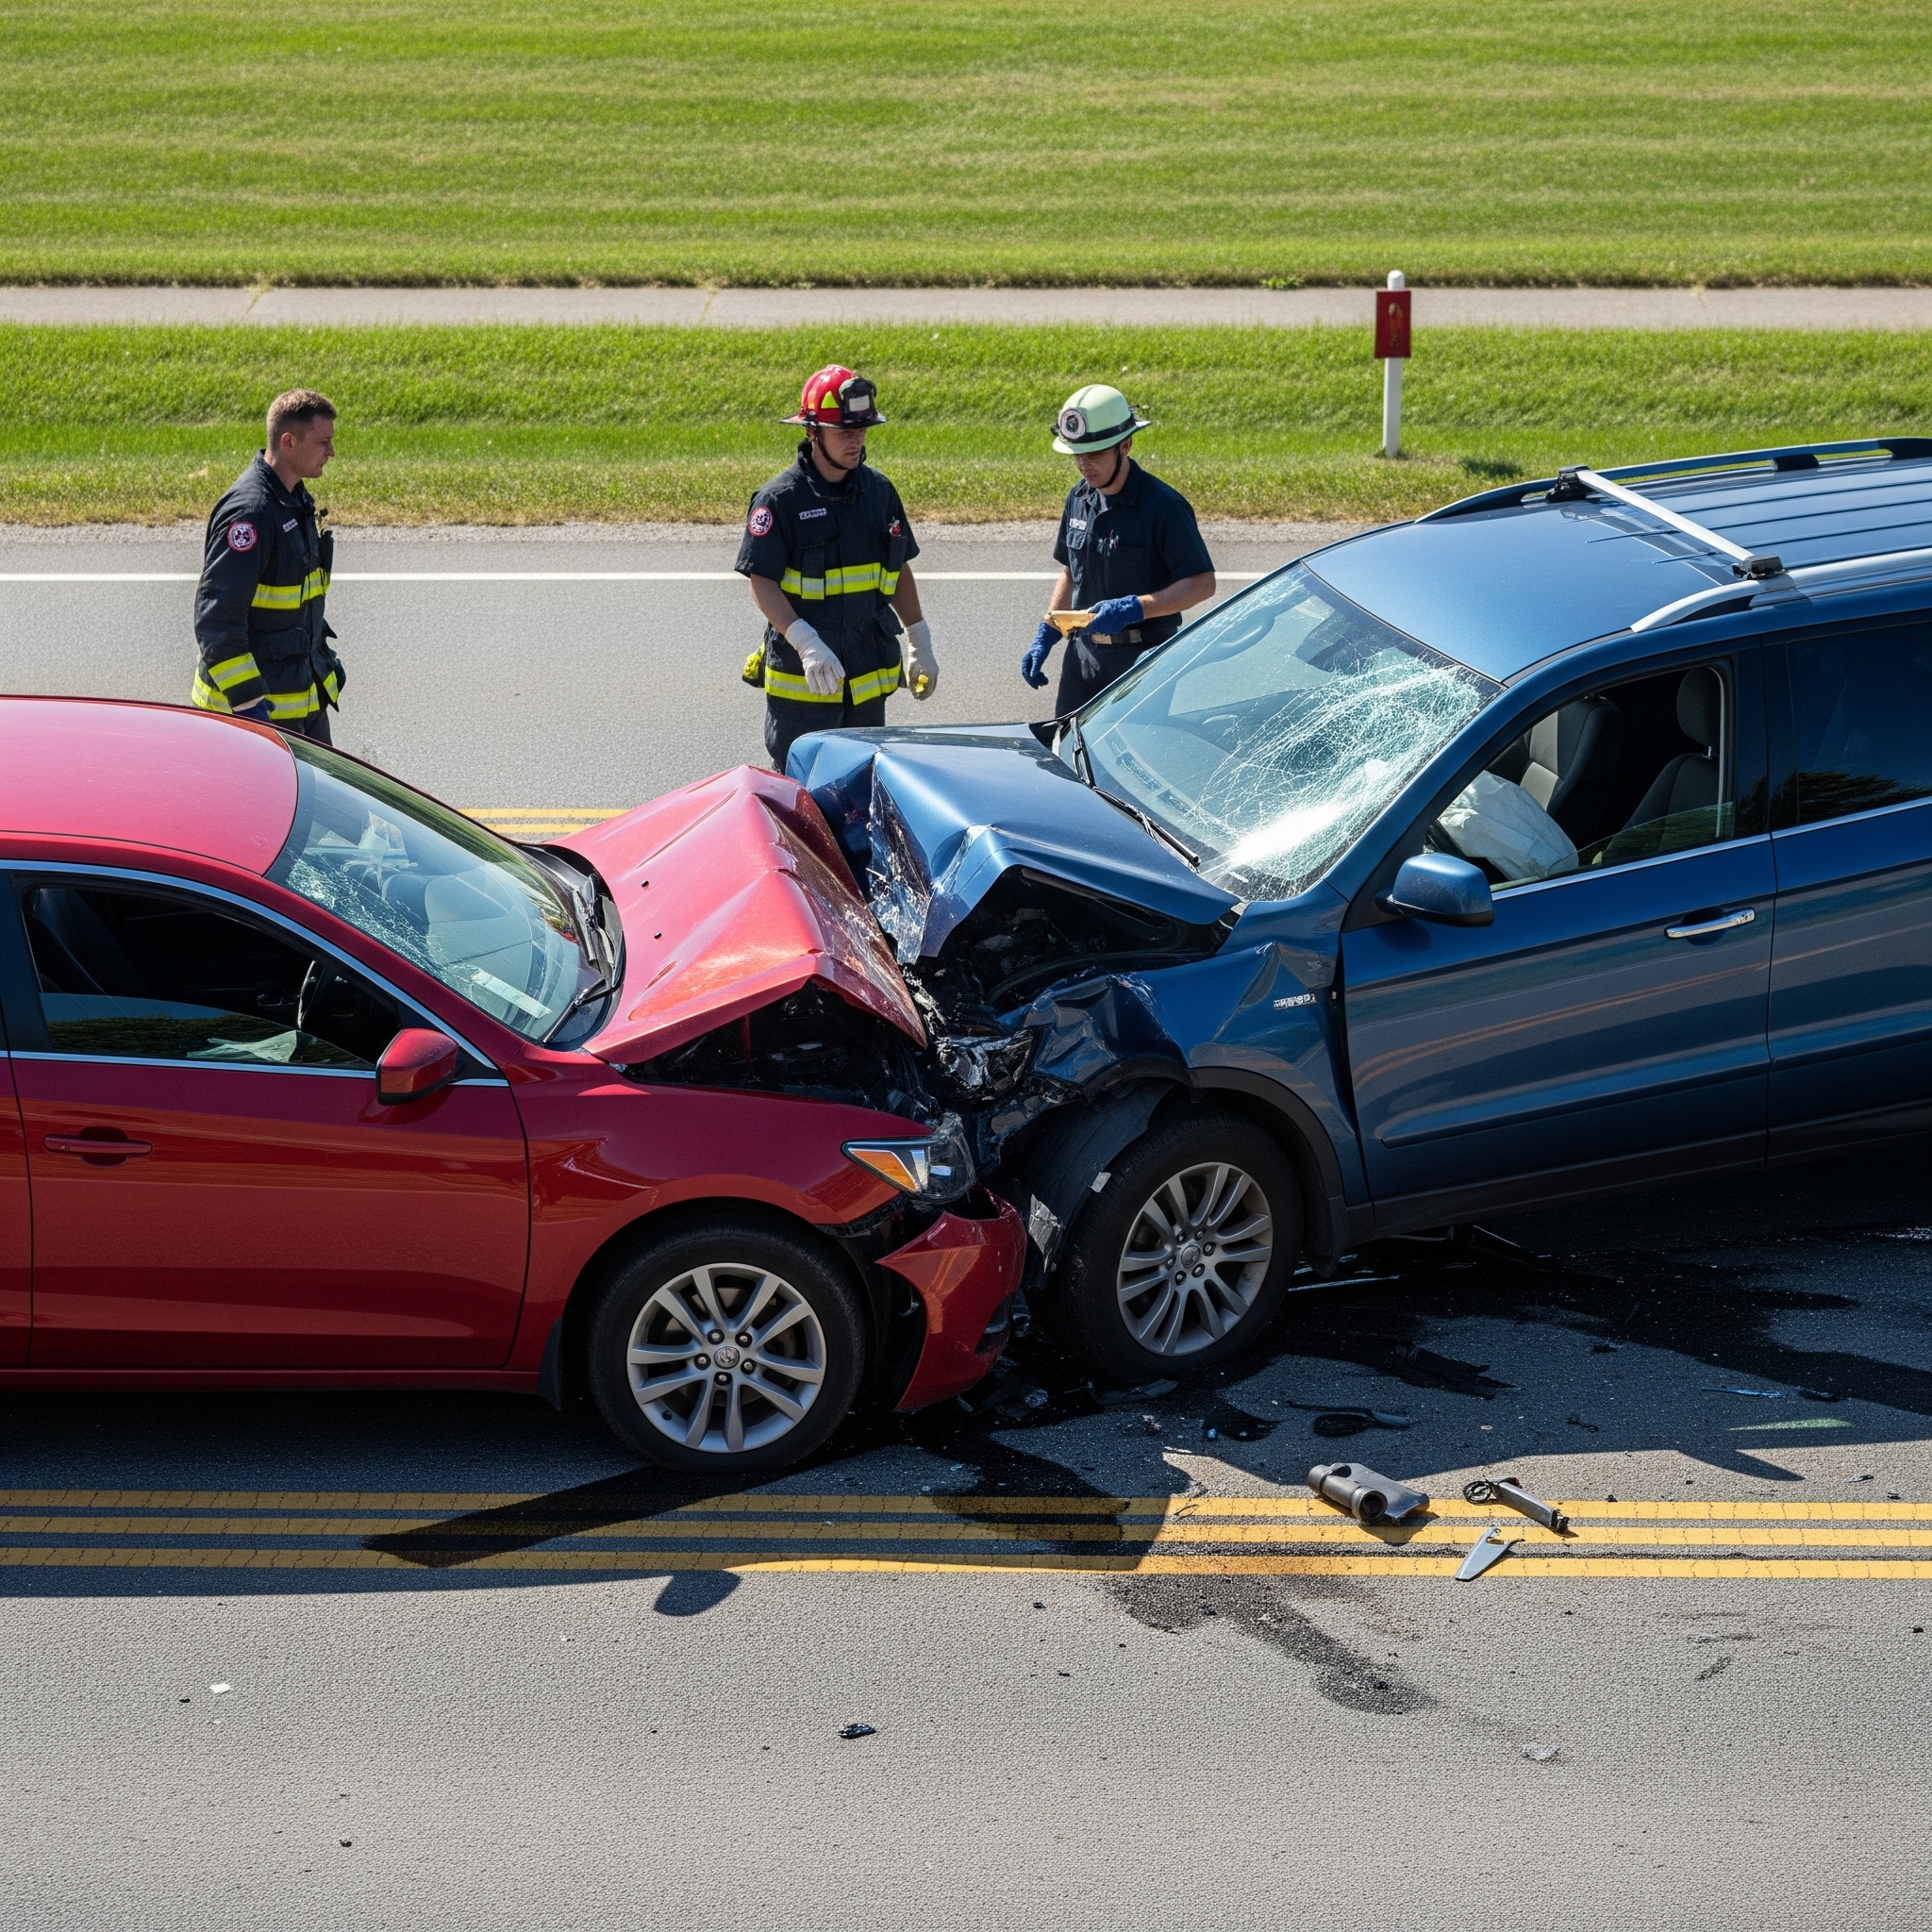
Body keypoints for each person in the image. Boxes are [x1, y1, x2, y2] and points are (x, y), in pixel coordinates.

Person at [738, 364, 938, 772]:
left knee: (859, 803)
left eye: (862, 430)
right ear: (813, 433)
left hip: (866, 690)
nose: (857, 440)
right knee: (801, 808)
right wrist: (806, 643)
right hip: (803, 693)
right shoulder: (780, 500)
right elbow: (762, 582)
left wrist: (920, 640)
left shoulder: (879, 492)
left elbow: (897, 569)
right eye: (844, 431)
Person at [1021, 384, 1216, 715]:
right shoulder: (1078, 498)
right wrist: (1049, 628)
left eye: (1094, 455)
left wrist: (1133, 609)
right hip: (1082, 658)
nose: (1083, 465)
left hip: (1141, 666)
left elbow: (1202, 583)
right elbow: (1071, 571)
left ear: (1125, 446)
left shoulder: (1163, 507)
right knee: (1066, 754)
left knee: (1124, 761)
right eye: (1076, 455)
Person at [192, 389, 344, 741]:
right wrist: (250, 709)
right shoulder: (251, 515)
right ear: (289, 442)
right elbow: (217, 622)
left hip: (301, 712)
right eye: (323, 442)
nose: (332, 452)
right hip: (253, 721)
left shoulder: (293, 499)